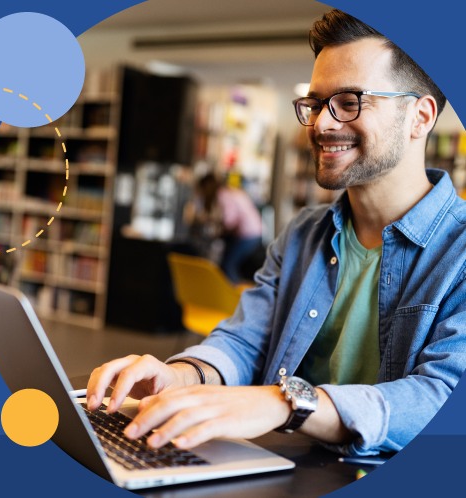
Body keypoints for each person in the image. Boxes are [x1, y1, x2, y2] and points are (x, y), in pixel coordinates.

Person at [86, 9, 466, 457]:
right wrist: (187, 374)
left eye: (349, 102)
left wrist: (288, 403)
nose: (322, 124)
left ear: (419, 117)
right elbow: (248, 340)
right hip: (281, 465)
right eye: (316, 102)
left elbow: (440, 398)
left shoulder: (457, 253)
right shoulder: (304, 233)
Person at [186, 174, 264, 283]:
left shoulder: (223, 195)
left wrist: (217, 233)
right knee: (228, 262)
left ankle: (236, 297)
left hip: (248, 234)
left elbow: (230, 221)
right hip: (255, 231)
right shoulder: (228, 191)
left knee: (228, 264)